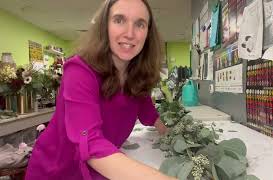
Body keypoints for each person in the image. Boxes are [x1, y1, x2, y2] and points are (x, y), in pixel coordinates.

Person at [25, 0, 176, 179]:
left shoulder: (137, 74)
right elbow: (88, 140)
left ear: (148, 34)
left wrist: (172, 132)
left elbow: (147, 111)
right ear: (104, 27)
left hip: (103, 167)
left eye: (140, 24)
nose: (130, 33)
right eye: (119, 20)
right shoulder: (79, 70)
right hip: (58, 170)